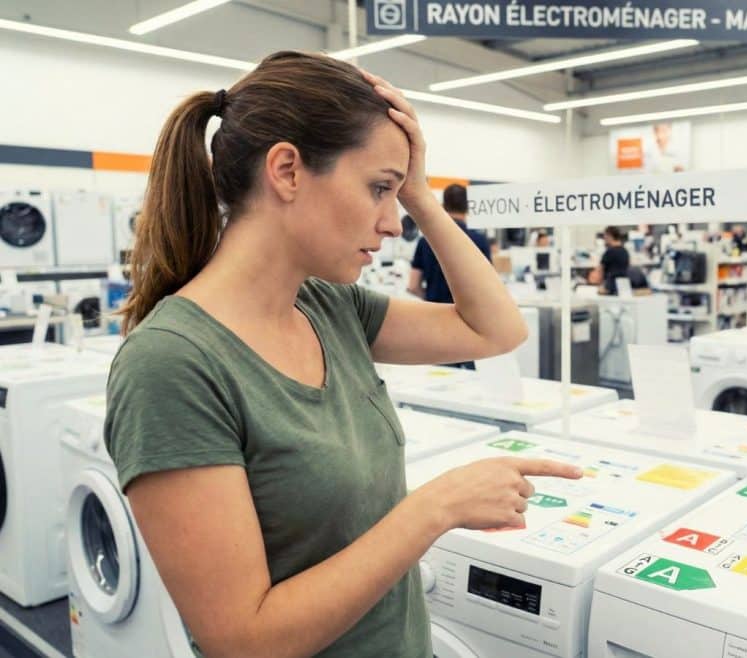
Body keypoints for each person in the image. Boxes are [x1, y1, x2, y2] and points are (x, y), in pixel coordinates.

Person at [107, 52, 581, 658]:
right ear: (287, 171)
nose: (393, 223)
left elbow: (494, 331)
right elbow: (244, 641)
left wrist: (421, 194)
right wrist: (434, 508)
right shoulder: (172, 365)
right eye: (379, 188)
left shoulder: (329, 306)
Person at [408, 183, 490, 303]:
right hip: (468, 312)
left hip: (435, 309)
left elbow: (413, 286)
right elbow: (489, 287)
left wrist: (429, 297)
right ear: (467, 207)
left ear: (443, 205)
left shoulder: (425, 241)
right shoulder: (480, 240)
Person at [591, 226, 630, 295]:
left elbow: (599, 271)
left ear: (610, 236)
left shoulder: (609, 252)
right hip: (623, 286)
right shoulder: (625, 251)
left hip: (610, 287)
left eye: (605, 236)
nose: (604, 239)